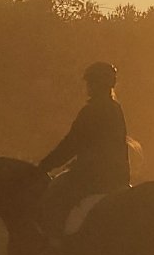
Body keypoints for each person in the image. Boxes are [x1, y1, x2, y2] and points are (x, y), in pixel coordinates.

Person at [38, 61, 131, 243]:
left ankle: (56, 246)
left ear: (95, 84)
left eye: (90, 82)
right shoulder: (115, 108)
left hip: (92, 175)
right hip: (119, 176)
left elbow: (71, 144)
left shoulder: (92, 110)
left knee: (53, 195)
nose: (88, 87)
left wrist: (44, 165)